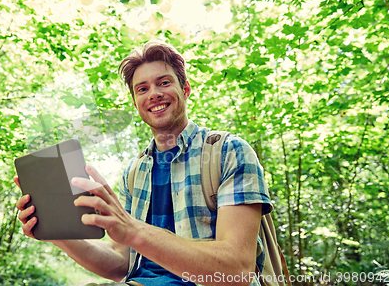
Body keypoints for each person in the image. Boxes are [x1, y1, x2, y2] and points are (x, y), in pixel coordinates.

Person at [14, 41, 273, 286]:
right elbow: (120, 265)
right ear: (136, 102)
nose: (154, 94)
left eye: (164, 83)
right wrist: (56, 235)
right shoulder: (134, 173)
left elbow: (237, 269)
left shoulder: (229, 152)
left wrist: (133, 230)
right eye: (142, 89)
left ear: (185, 89)